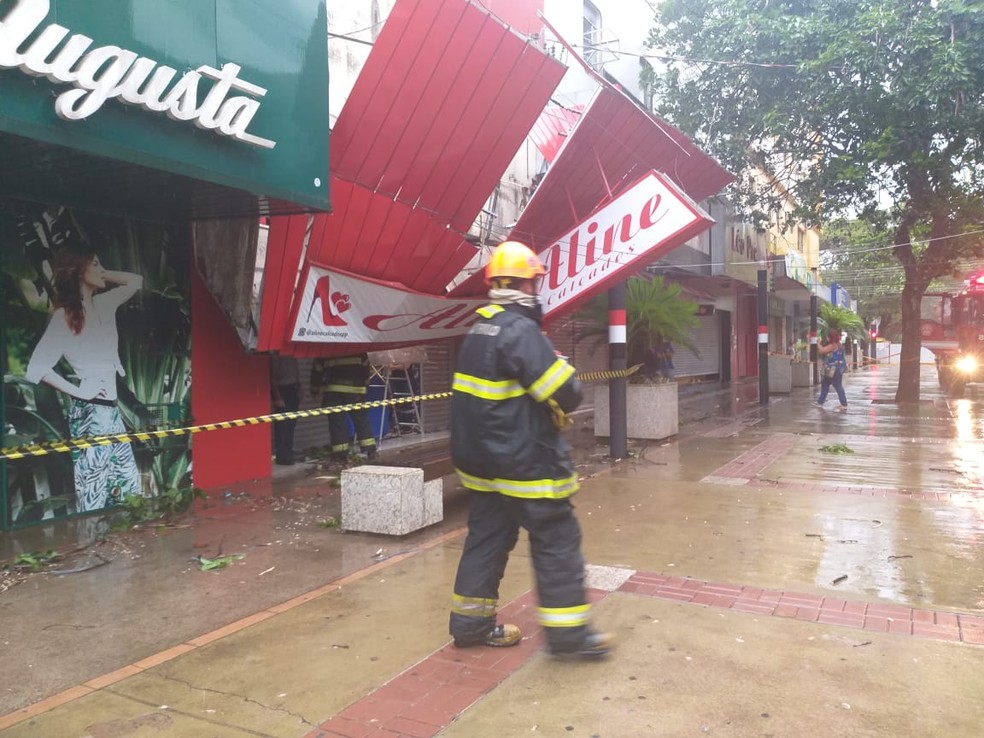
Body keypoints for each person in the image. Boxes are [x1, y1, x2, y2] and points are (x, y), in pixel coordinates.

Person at [448, 240, 613, 658]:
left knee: (486, 538)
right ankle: (571, 637)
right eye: (536, 283)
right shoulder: (520, 332)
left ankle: (469, 624)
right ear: (526, 284)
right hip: (524, 464)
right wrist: (562, 365)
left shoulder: (477, 331)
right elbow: (566, 392)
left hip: (483, 466)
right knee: (557, 538)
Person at [25, 245, 143, 513]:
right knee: (93, 491)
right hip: (90, 414)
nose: (102, 270)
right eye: (96, 264)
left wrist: (99, 272)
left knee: (129, 488)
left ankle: (115, 547)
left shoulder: (104, 303)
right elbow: (36, 368)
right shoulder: (64, 317)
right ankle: (90, 549)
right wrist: (79, 392)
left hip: (111, 412)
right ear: (79, 270)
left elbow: (136, 281)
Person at [311, 353, 377, 463]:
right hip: (356, 391)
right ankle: (370, 451)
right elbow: (365, 369)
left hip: (334, 391)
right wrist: (365, 384)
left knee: (337, 423)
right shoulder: (358, 348)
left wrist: (314, 389)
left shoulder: (325, 348)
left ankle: (340, 455)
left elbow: (317, 371)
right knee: (361, 420)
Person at [271, 355, 301, 465]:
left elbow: (296, 373)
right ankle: (282, 456)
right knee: (282, 425)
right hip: (283, 390)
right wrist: (277, 397)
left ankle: (289, 451)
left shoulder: (292, 355)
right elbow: (273, 378)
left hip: (293, 390)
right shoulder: (276, 357)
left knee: (291, 424)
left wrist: (299, 388)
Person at [816, 329, 848, 411]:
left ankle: (844, 404)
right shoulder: (839, 345)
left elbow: (822, 351)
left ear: (831, 337)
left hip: (832, 369)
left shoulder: (833, 345)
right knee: (826, 384)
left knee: (837, 385)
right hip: (838, 367)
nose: (827, 338)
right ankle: (820, 402)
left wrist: (818, 343)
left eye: (828, 337)